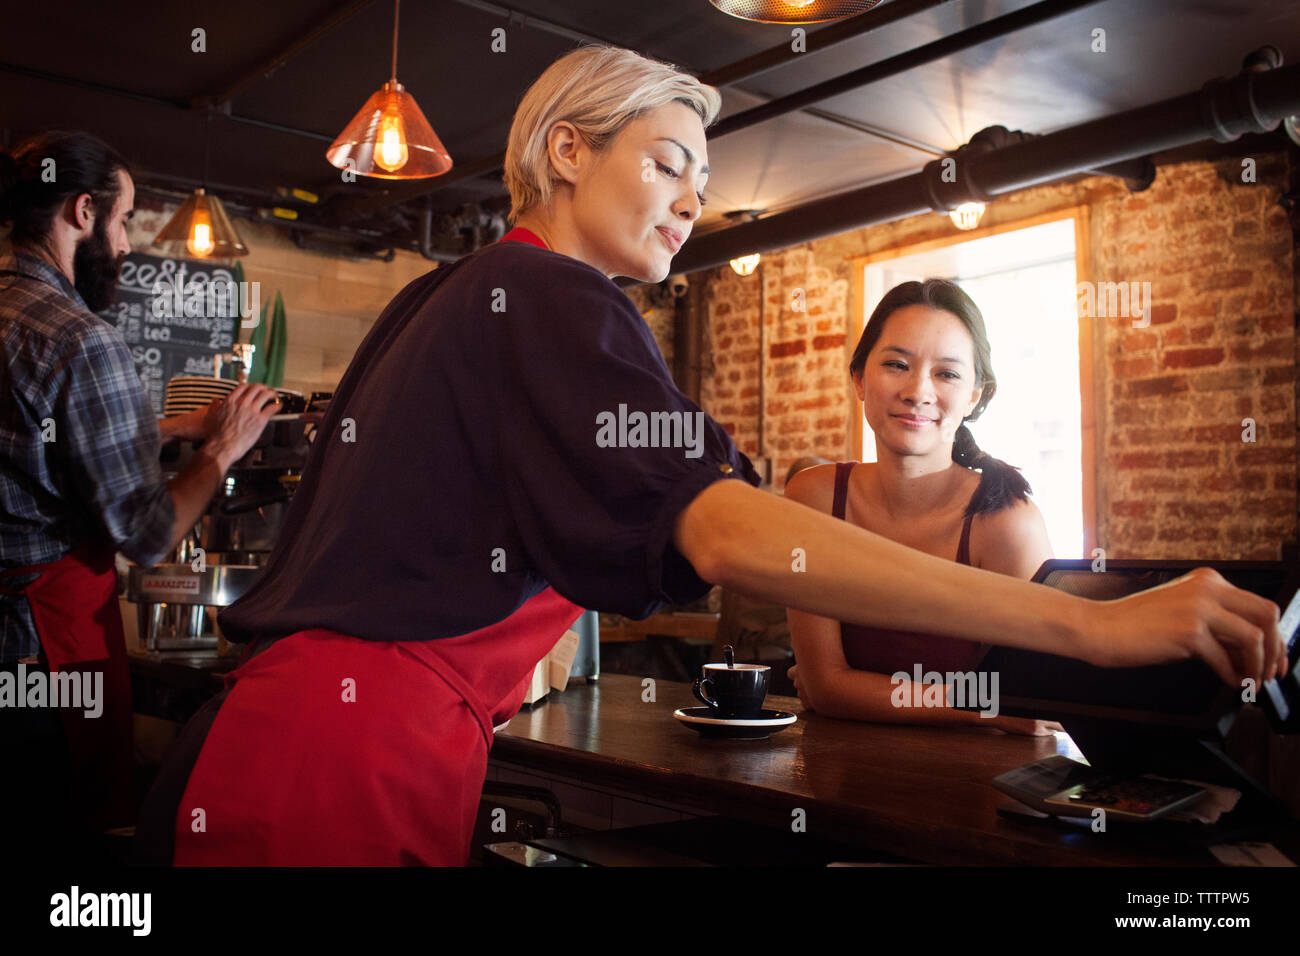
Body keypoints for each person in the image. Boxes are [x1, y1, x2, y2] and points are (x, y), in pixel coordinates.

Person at [134, 45, 1284, 867]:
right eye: (670, 160)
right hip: (348, 764)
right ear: (567, 149)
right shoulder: (553, 294)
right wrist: (1092, 623)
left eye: (703, 175)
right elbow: (723, 526)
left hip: (277, 737)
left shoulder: (452, 294)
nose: (694, 199)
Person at [0, 130, 279, 854]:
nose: (125, 246)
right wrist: (221, 447)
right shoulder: (82, 340)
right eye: (123, 222)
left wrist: (167, 425)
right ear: (84, 211)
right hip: (42, 661)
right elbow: (148, 532)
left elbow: (36, 442)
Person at [785, 279, 1062, 733]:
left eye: (947, 373)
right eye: (897, 364)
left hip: (979, 788)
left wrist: (854, 691)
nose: (918, 390)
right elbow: (825, 686)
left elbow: (1033, 703)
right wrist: (983, 706)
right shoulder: (813, 497)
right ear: (859, 378)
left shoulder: (1007, 521)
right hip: (837, 780)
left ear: (975, 395)